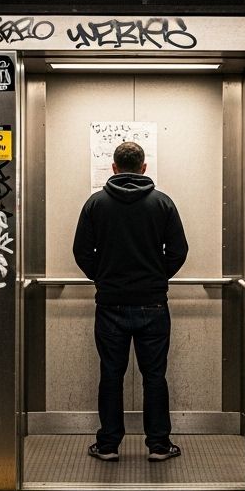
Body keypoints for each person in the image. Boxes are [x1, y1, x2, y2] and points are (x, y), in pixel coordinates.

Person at [72, 141, 189, 462]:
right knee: (155, 375)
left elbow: (81, 252)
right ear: (143, 167)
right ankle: (159, 445)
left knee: (111, 374)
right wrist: (156, 277)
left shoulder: (96, 204)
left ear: (113, 168)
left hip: (110, 304)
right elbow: (179, 252)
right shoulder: (162, 204)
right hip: (153, 304)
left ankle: (108, 444)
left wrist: (104, 278)